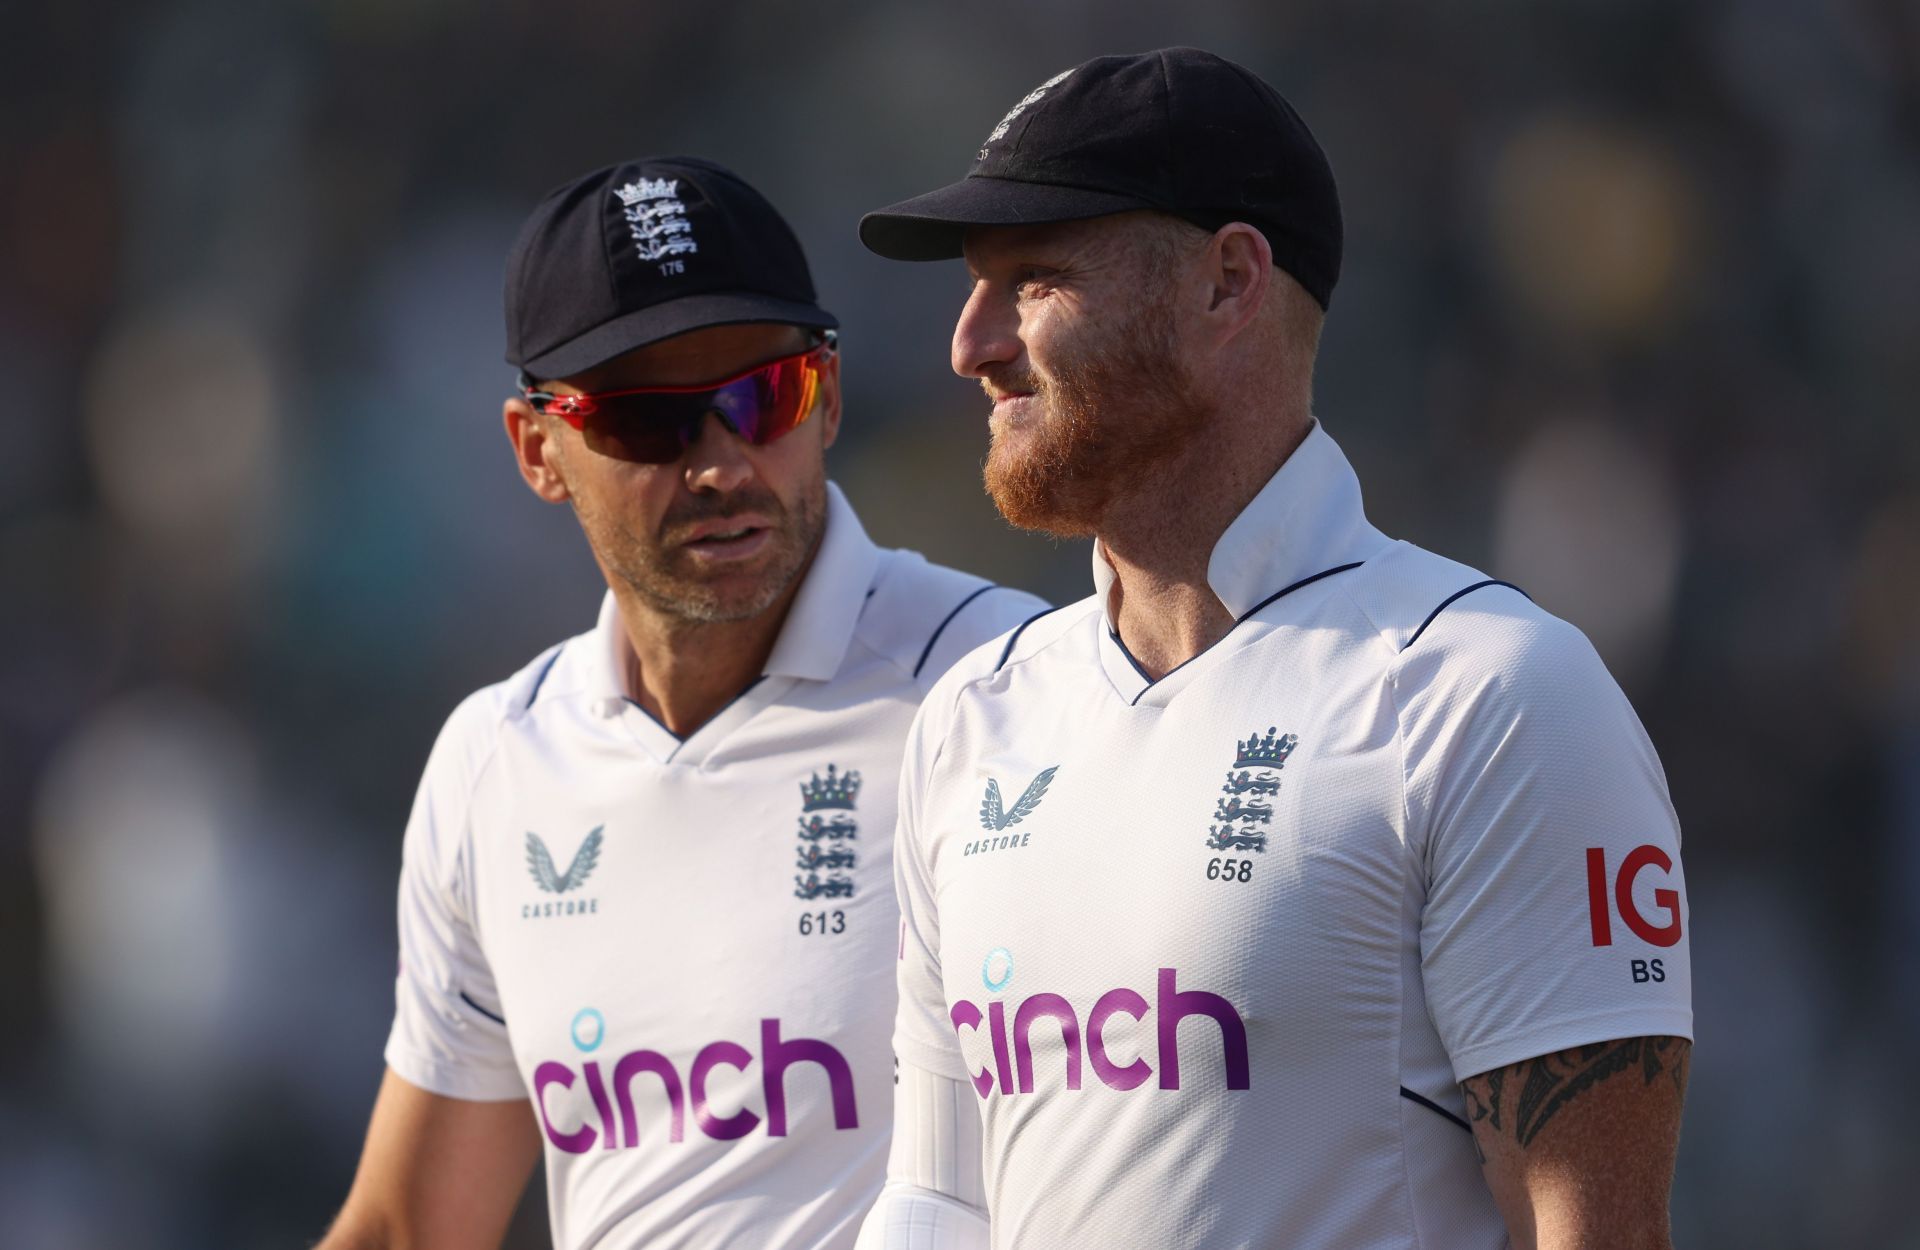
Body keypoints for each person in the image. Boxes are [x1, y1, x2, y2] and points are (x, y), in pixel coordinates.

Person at [853, 49, 1692, 1250]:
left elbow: (1596, 1233)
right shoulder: (974, 713)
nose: (969, 343)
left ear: (1228, 283)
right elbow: (939, 1203)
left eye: (1032, 281)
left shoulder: (1492, 691)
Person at [318, 156, 1046, 1250]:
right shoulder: (495, 762)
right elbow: (410, 1226)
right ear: (537, 449)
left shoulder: (1009, 684)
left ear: (831, 396)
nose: (719, 463)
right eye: (647, 420)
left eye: (767, 393)